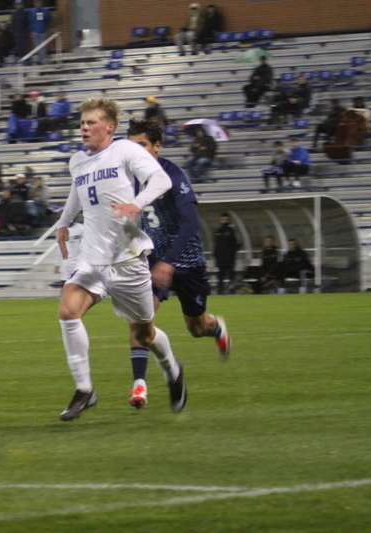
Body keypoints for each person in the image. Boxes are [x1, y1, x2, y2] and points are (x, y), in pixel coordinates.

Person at [55, 97, 183, 422]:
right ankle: (85, 390)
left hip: (128, 261)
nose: (84, 127)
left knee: (144, 334)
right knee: (68, 311)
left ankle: (172, 368)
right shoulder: (77, 162)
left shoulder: (126, 150)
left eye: (91, 122)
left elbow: (162, 180)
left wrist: (135, 204)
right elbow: (77, 193)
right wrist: (63, 223)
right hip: (93, 260)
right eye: (82, 122)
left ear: (109, 127)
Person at [127, 117, 232, 361]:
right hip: (152, 261)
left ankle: (216, 328)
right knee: (141, 320)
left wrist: (169, 262)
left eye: (142, 145)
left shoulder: (173, 175)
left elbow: (191, 222)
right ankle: (140, 385)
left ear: (157, 146)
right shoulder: (128, 178)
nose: (136, 152)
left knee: (196, 328)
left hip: (186, 261)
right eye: (132, 146)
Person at [213, 212, 240, 295]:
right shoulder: (218, 232)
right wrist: (216, 255)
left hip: (229, 258)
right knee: (220, 276)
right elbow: (215, 245)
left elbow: (238, 243)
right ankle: (220, 290)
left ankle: (232, 290)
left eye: (226, 220)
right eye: (223, 219)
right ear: (220, 220)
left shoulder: (232, 231)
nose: (224, 221)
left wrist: (231, 253)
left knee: (231, 275)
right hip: (220, 259)